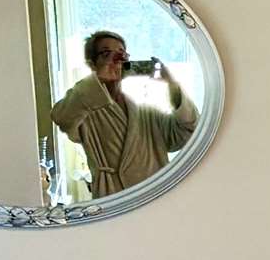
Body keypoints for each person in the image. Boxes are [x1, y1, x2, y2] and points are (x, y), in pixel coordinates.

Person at [47, 29, 198, 198]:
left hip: (154, 198)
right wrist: (99, 80)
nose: (116, 59)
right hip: (113, 199)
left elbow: (188, 131)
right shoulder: (85, 108)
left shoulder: (146, 112)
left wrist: (172, 85)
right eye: (106, 54)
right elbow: (61, 118)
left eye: (121, 54)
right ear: (92, 64)